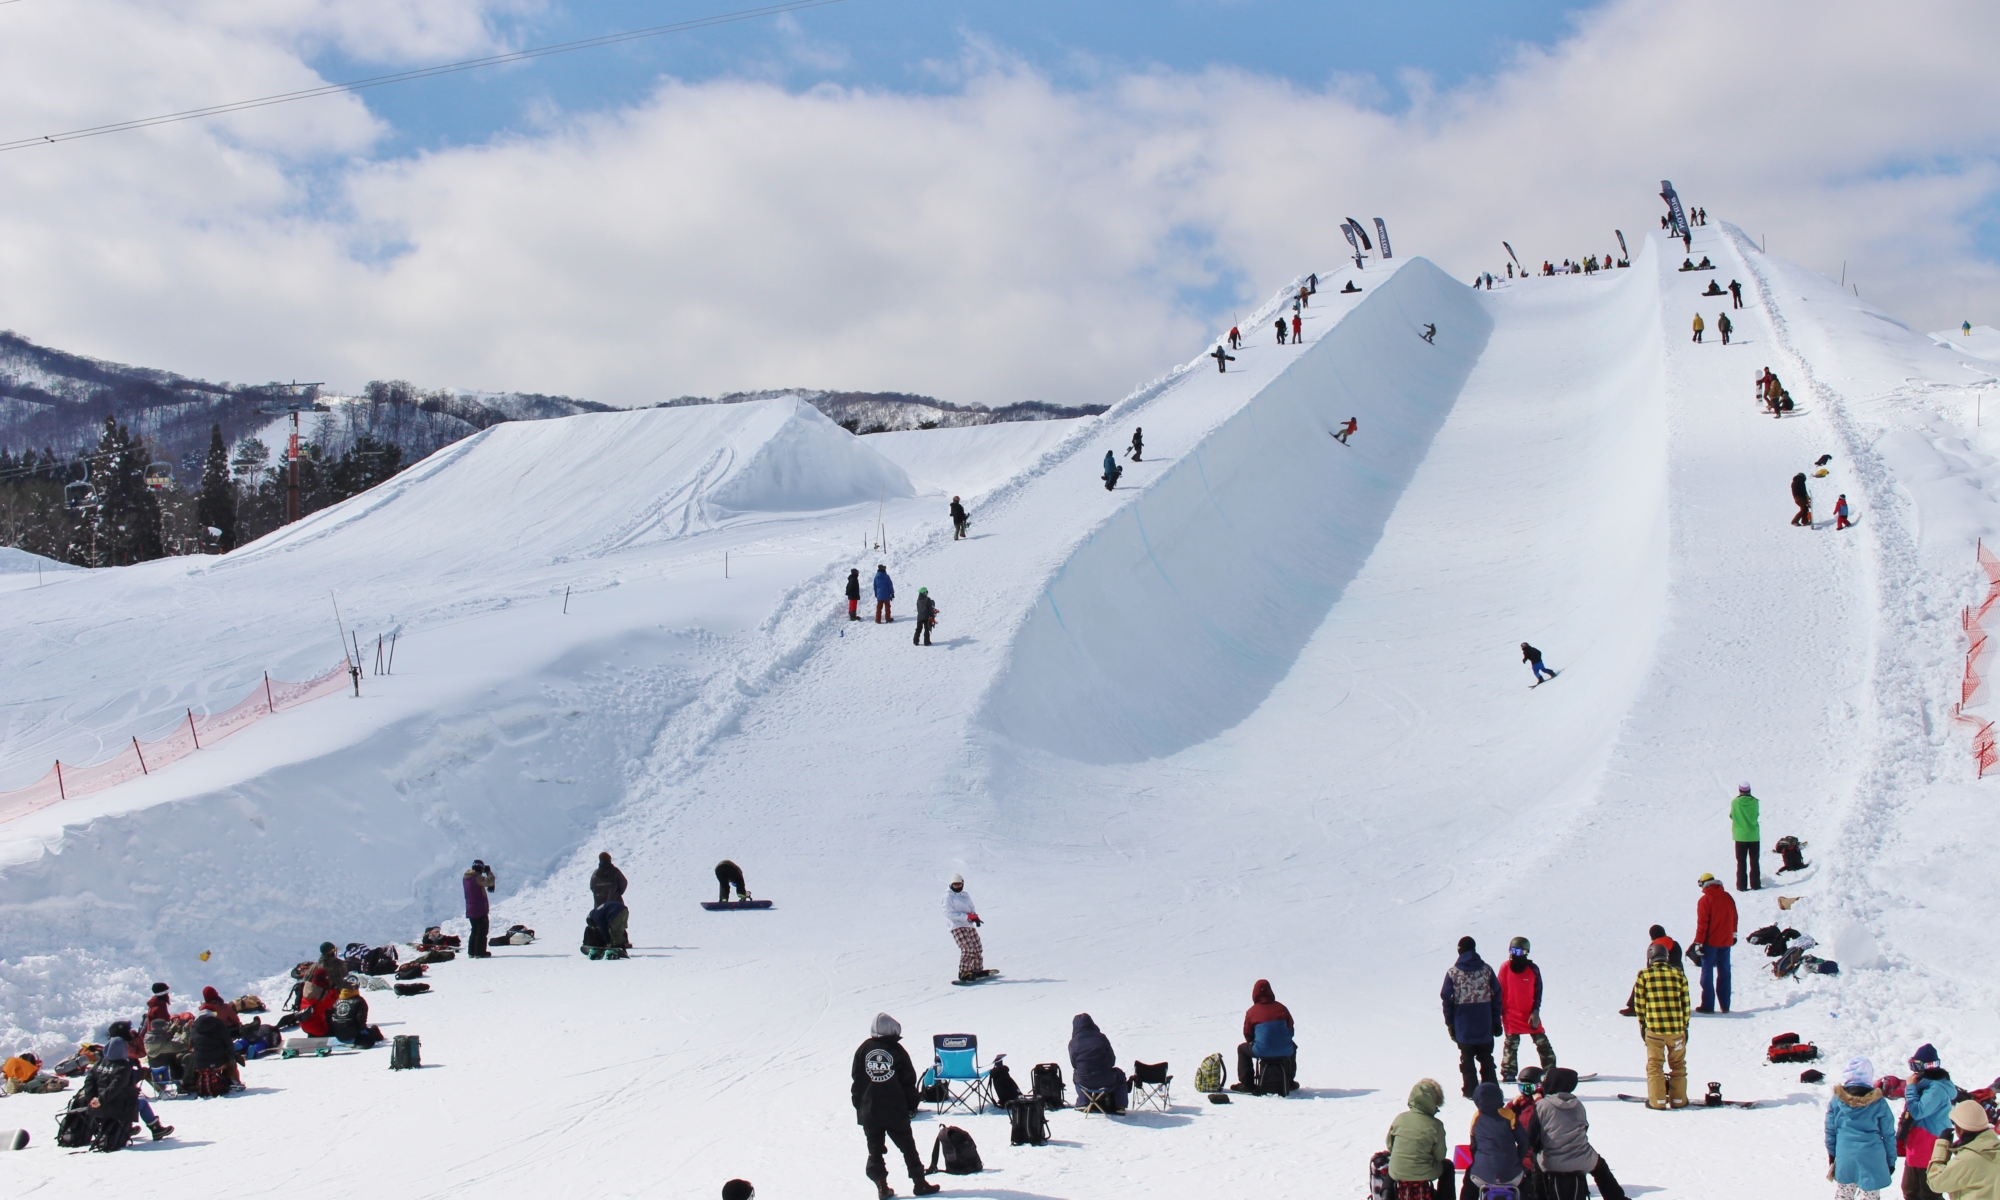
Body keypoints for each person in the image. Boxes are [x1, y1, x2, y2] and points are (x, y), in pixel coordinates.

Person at [851, 1013, 937, 1198]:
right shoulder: (897, 1050)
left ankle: (882, 1186)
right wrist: (912, 1104)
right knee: (908, 1147)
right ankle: (919, 1183)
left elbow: (856, 1079)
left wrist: (859, 1105)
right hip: (894, 1110)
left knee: (875, 1150)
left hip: (869, 1110)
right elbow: (908, 1080)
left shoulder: (863, 1049)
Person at [1534, 1068, 1628, 1200]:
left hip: (1552, 1161)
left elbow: (1532, 1136)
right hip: (1582, 1158)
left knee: (1535, 1166)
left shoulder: (1541, 1105)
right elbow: (1584, 1129)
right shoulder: (1578, 1104)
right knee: (1600, 1168)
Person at [1829, 1056, 1898, 1200]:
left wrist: (1832, 1155)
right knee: (1870, 1196)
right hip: (1872, 1158)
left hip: (1845, 1155)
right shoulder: (1878, 1102)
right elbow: (1889, 1134)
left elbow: (1830, 1130)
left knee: (1844, 1195)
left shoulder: (1837, 1100)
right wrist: (1890, 1161)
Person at [1442, 936, 1503, 1098]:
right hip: (1485, 1023)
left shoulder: (1453, 973)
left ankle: (1470, 1090)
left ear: (1459, 950)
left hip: (1463, 1025)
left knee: (1467, 1059)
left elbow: (1446, 999)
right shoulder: (1486, 970)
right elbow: (1497, 995)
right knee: (1486, 1058)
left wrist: (1450, 1023)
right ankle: (1491, 1090)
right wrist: (1496, 1020)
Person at [1632, 941, 1690, 1108]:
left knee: (1655, 1065)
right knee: (1678, 1065)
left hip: (1654, 1031)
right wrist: (1685, 1027)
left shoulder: (1644, 975)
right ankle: (1678, 1100)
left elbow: (1639, 1005)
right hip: (1677, 1031)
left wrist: (1643, 1027)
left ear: (1650, 958)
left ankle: (1657, 1101)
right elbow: (1685, 1004)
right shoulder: (1679, 975)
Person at [80, 1038, 172, 1143]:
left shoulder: (100, 1063)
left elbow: (89, 1081)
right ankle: (156, 1129)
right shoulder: (123, 1066)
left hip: (96, 1105)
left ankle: (125, 1128)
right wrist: (101, 1100)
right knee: (141, 1103)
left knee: (128, 1099)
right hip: (113, 1105)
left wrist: (92, 1098)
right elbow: (116, 1087)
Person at [1498, 936, 1556, 1082]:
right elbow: (1499, 990)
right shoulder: (1505, 967)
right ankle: (1508, 1072)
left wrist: (1536, 1010)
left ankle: (1551, 1070)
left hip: (1529, 1014)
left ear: (1525, 952)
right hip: (1510, 1013)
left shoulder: (1532, 969)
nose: (1514, 954)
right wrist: (1498, 1011)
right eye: (1512, 950)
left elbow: (1538, 991)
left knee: (1542, 1041)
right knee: (1511, 1044)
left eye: (1518, 951)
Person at [1386, 1078, 1452, 1200]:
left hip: (1397, 1172)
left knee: (1393, 1166)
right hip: (1425, 1173)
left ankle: (1386, 1197)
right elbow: (1440, 1156)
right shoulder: (1436, 1125)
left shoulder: (1400, 1119)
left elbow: (1390, 1146)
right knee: (1448, 1166)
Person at [1907, 1044, 1957, 1200]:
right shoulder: (1926, 1085)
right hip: (1918, 1143)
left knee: (1928, 1193)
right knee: (1910, 1189)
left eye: (1916, 1065)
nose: (1913, 1070)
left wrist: (1910, 1088)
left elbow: (1917, 1111)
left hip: (1929, 1143)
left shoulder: (1936, 1089)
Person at [1233, 978, 1298, 1095]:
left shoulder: (1252, 1011)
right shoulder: (1282, 1008)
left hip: (1261, 1049)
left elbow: (1248, 1033)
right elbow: (1290, 1029)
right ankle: (1289, 1082)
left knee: (1242, 1049)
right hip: (1285, 1049)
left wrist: (1254, 1042)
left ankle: (1246, 1084)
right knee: (1292, 1047)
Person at [1466, 1082, 1529, 1199]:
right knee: (1527, 1184)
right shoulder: (1509, 1115)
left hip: (1482, 1177)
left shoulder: (1476, 1117)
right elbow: (1524, 1142)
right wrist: (1517, 1160)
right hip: (1511, 1174)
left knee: (1469, 1181)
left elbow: (1473, 1146)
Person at [1927, 1100, 2000, 1199]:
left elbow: (1936, 1182)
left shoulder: (1968, 1159)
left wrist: (1941, 1146)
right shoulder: (1995, 1149)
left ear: (1961, 1129)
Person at [1694, 872, 1737, 1013]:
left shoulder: (1705, 900)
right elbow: (1734, 917)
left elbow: (1702, 924)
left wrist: (1698, 942)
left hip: (1710, 942)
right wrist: (1733, 934)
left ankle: (1708, 1005)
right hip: (1726, 940)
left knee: (1707, 973)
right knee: (1724, 972)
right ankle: (1725, 1005)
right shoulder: (1727, 897)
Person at [1068, 1013, 1128, 1111]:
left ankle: (1083, 1102)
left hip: (1084, 1082)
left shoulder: (1073, 1043)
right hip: (1107, 1080)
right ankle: (1120, 1106)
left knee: (1077, 1074)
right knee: (1119, 1074)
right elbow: (1112, 1060)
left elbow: (1074, 1064)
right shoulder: (1101, 1038)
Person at [943, 874, 990, 981]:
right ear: (951, 884)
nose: (957, 886)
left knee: (977, 947)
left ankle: (976, 970)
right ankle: (964, 973)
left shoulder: (965, 895)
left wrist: (974, 916)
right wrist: (966, 916)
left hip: (968, 924)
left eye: (959, 884)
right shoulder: (947, 897)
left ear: (962, 883)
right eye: (955, 885)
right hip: (956, 925)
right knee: (968, 948)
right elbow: (948, 913)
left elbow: (971, 907)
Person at [188, 1007, 245, 1087]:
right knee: (231, 1058)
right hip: (218, 1062)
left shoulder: (194, 1027)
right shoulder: (218, 1023)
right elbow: (229, 1043)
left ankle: (198, 1083)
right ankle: (232, 1081)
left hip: (200, 1064)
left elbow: (191, 1044)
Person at [1731, 784, 1762, 891]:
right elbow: (1756, 815)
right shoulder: (1755, 802)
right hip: (1753, 835)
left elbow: (1732, 816)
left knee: (1741, 862)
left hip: (1740, 836)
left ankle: (1741, 885)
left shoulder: (1735, 802)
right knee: (1754, 861)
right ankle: (1756, 884)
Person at [464, 858, 496, 958]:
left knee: (474, 930)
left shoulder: (466, 877)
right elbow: (489, 882)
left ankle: (471, 952)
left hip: (470, 909)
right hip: (480, 909)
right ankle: (479, 952)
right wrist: (489, 872)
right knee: (482, 931)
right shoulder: (477, 878)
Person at [298, 969, 338, 1038]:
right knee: (336, 1029)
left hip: (305, 1026)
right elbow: (334, 1004)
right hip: (319, 1029)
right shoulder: (322, 994)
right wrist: (333, 990)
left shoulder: (307, 988)